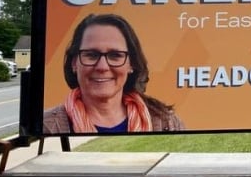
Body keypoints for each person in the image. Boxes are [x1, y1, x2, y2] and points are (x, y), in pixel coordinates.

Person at [43, 13, 184, 134]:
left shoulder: (167, 123)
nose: (102, 67)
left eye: (115, 55)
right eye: (91, 55)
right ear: (74, 63)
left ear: (132, 64)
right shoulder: (46, 126)